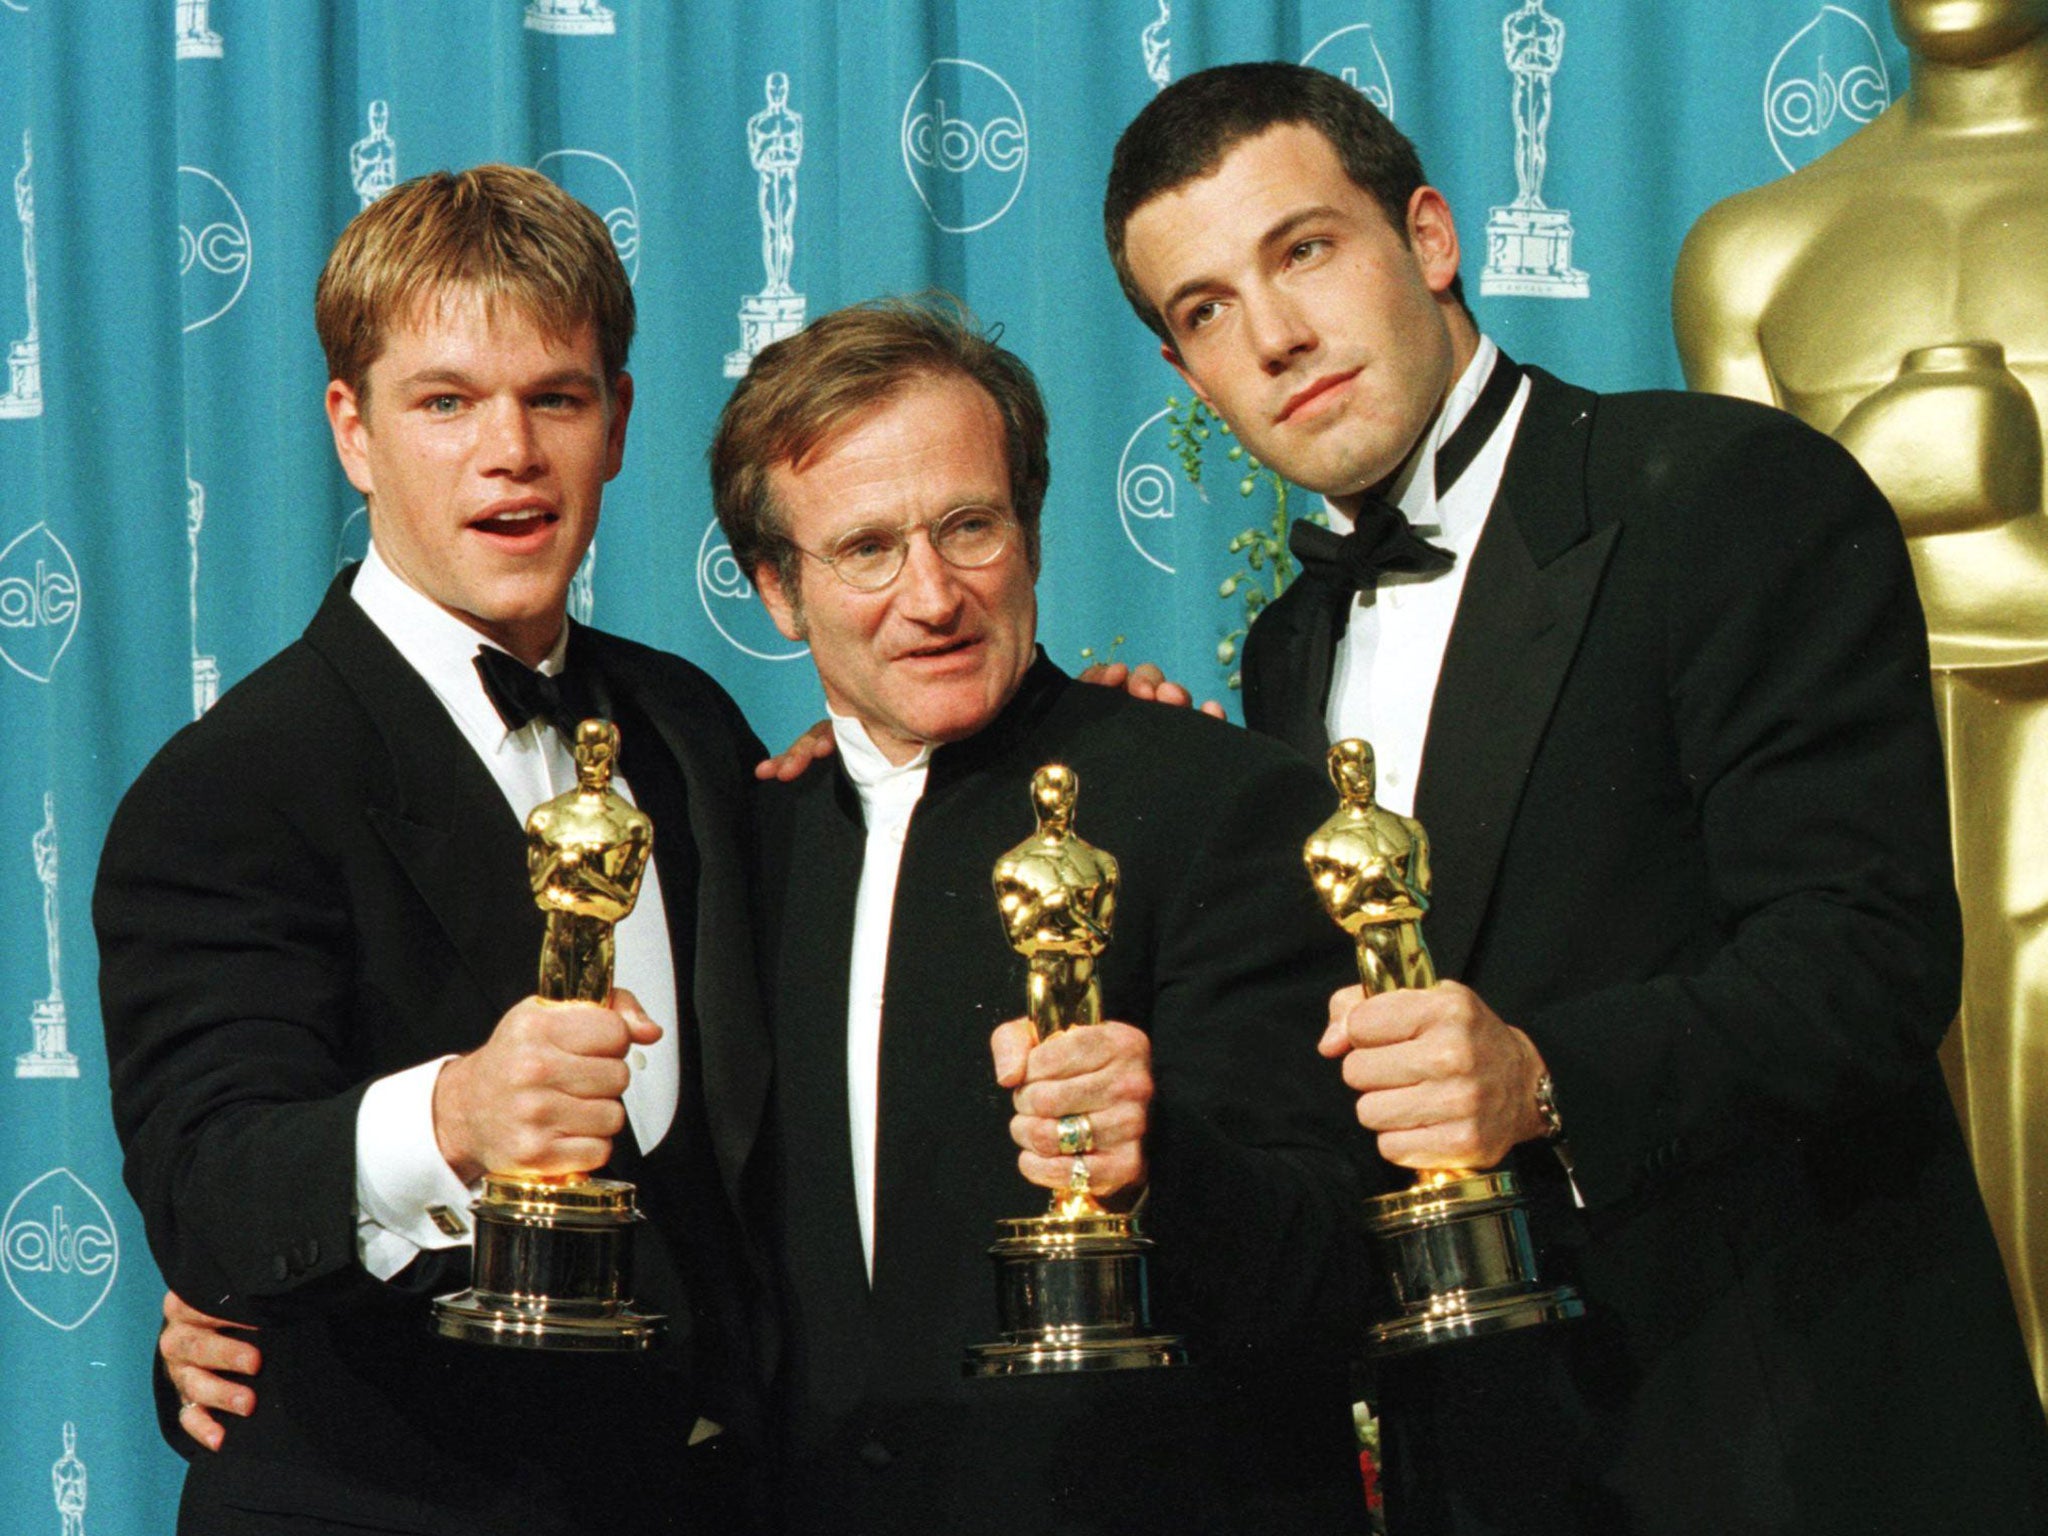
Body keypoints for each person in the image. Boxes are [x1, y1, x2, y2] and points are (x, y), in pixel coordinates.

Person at [1103, 60, 2048, 1535]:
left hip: (1793, 1447)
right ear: (1184, 373)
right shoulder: (1292, 643)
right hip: (1494, 1470)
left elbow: (1870, 959)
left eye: (1305, 251)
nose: (1276, 337)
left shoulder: (1726, 492)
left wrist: (1544, 1076)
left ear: (1427, 238)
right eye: (1207, 310)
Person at [96, 165, 769, 1536]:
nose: (508, 450)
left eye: (555, 398)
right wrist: (451, 1116)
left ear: (619, 422)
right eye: (446, 401)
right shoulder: (231, 785)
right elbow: (211, 1187)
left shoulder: (693, 726)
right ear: (355, 431)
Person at [711, 297, 1374, 1534]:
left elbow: (1337, 1262)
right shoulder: (744, 851)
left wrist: (1157, 1159)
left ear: (1030, 530)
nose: (931, 597)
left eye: (970, 526)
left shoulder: (1220, 805)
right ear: (776, 591)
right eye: (864, 549)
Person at [1673, 0, 2048, 1400]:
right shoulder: (1755, 247)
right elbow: (1744, 601)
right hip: (1845, 812)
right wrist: (1886, 461)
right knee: (1884, 1283)